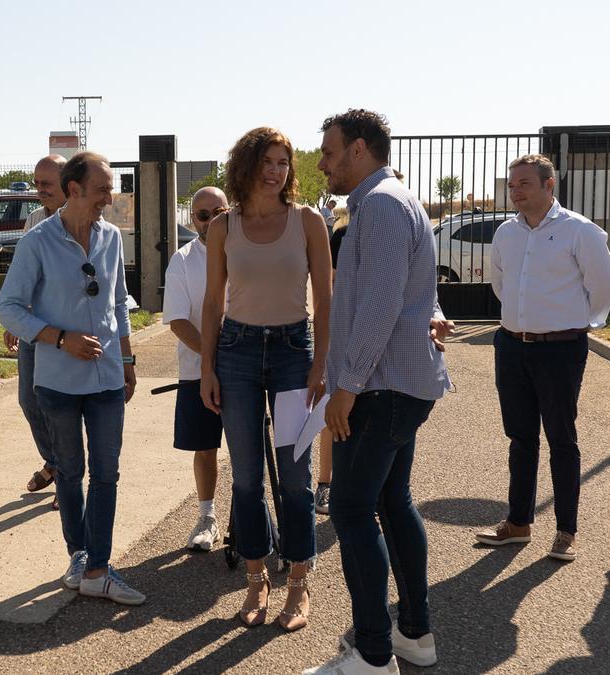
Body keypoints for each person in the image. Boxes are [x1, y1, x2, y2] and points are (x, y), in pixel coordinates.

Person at [304, 109, 452, 675]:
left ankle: (372, 655)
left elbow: (382, 306)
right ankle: (413, 634)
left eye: (330, 151)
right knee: (391, 502)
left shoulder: (383, 204)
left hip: (383, 385)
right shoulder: (381, 203)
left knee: (348, 507)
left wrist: (348, 386)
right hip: (390, 382)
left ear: (359, 149)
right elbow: (411, 293)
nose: (323, 163)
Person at [0, 151, 146, 606]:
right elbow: (9, 308)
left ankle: (98, 567)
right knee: (70, 471)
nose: (110, 197)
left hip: (105, 379)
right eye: (102, 189)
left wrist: (126, 359)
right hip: (57, 380)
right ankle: (79, 556)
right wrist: (60, 338)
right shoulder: (37, 241)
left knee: (106, 471)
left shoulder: (111, 239)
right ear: (75, 189)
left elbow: (119, 302)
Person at [200, 127, 332, 632]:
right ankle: (256, 579)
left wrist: (321, 363)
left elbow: (324, 298)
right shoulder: (223, 227)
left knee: (295, 479)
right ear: (247, 166)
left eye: (284, 162)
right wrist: (208, 367)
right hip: (235, 353)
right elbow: (213, 302)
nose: (277, 171)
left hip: (293, 354)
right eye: (268, 161)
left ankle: (299, 583)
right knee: (248, 477)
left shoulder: (308, 222)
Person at [474, 154, 610, 563]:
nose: (516, 191)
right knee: (520, 438)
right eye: (512, 185)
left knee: (561, 439)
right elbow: (500, 283)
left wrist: (573, 324)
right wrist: (524, 323)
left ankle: (566, 530)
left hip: (560, 350)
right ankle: (518, 524)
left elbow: (604, 287)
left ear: (549, 184)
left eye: (524, 184)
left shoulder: (580, 231)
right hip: (512, 346)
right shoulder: (506, 232)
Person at [163, 186, 229, 551]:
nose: (210, 222)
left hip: (246, 370)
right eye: (202, 215)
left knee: (254, 448)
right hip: (197, 371)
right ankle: (207, 517)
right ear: (193, 219)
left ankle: (256, 517)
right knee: (204, 447)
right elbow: (177, 321)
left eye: (217, 213)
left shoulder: (247, 253)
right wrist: (211, 359)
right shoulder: (183, 260)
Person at [4, 155, 67, 510]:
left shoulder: (82, 220)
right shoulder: (33, 220)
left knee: (60, 406)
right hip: (32, 326)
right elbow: (21, 276)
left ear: (68, 182)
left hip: (65, 332)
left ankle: (67, 474)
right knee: (29, 400)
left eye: (46, 183)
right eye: (36, 182)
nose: (38, 189)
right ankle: (56, 463)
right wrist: (13, 321)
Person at [314, 203, 353, 516]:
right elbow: (331, 282)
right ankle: (325, 484)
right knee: (332, 413)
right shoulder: (342, 236)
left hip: (378, 338)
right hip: (342, 331)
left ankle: (366, 489)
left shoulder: (391, 232)